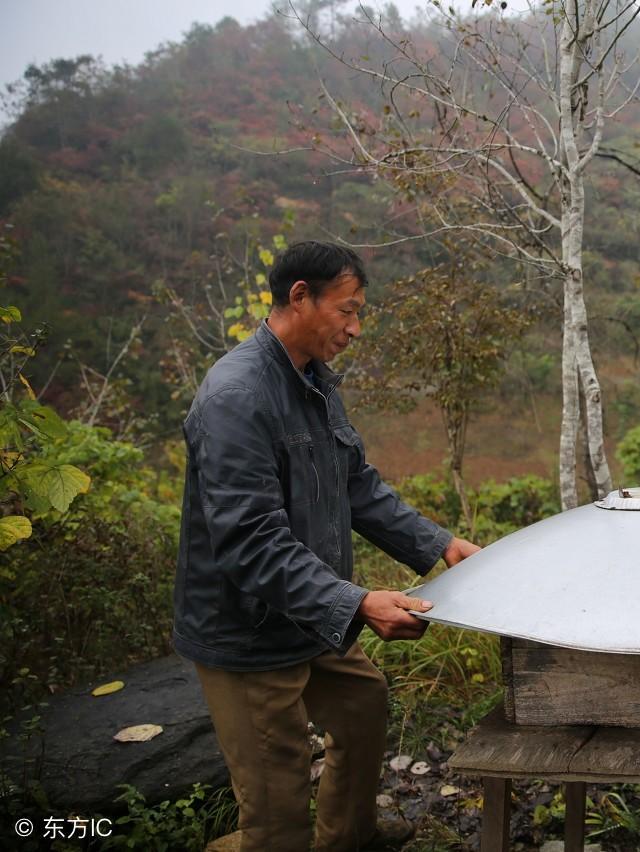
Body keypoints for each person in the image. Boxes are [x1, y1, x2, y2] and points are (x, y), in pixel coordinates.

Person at [173, 240, 480, 851]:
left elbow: (355, 483)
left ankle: (347, 836)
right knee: (277, 794)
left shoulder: (312, 379)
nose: (356, 328)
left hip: (309, 613)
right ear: (299, 297)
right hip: (249, 629)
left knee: (363, 703)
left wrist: (439, 545)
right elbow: (250, 542)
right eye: (347, 311)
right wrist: (360, 602)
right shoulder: (237, 396)